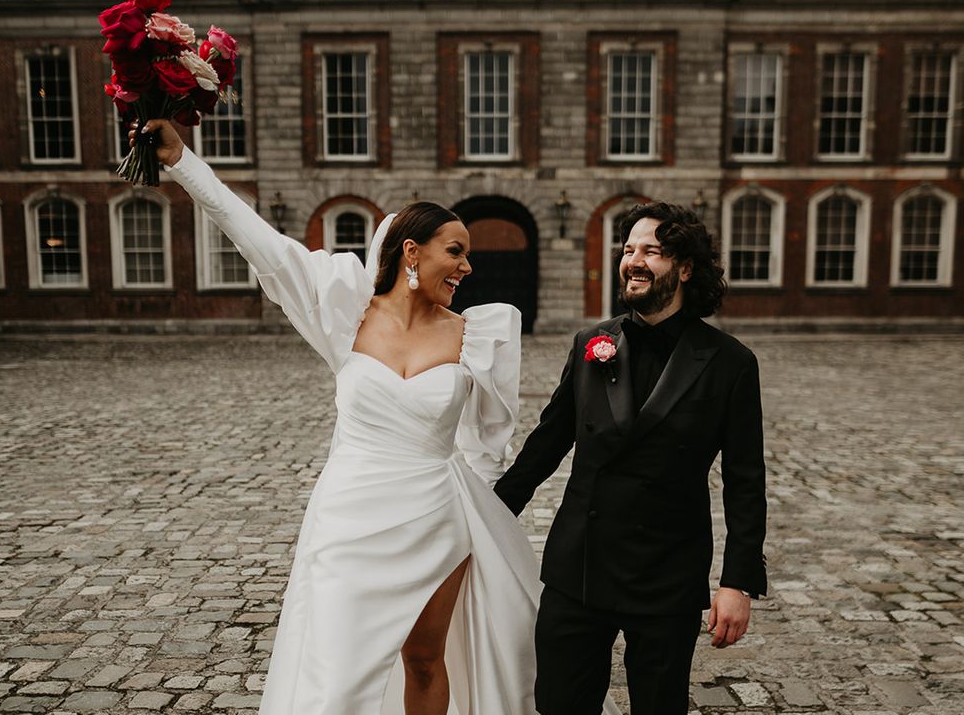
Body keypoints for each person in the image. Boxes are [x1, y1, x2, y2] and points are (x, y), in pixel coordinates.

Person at [130, 119, 614, 715]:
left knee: (425, 659)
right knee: (338, 669)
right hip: (349, 516)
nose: (467, 268)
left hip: (438, 515)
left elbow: (490, 439)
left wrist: (480, 509)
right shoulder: (342, 313)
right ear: (412, 251)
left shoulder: (480, 335)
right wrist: (183, 162)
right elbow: (255, 235)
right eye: (455, 251)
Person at [494, 202, 768, 715]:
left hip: (667, 573)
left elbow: (745, 480)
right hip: (579, 569)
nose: (633, 261)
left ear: (685, 268)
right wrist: (484, 516)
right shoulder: (592, 344)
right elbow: (546, 445)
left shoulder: (730, 363)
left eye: (652, 251)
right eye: (628, 250)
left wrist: (738, 581)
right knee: (559, 704)